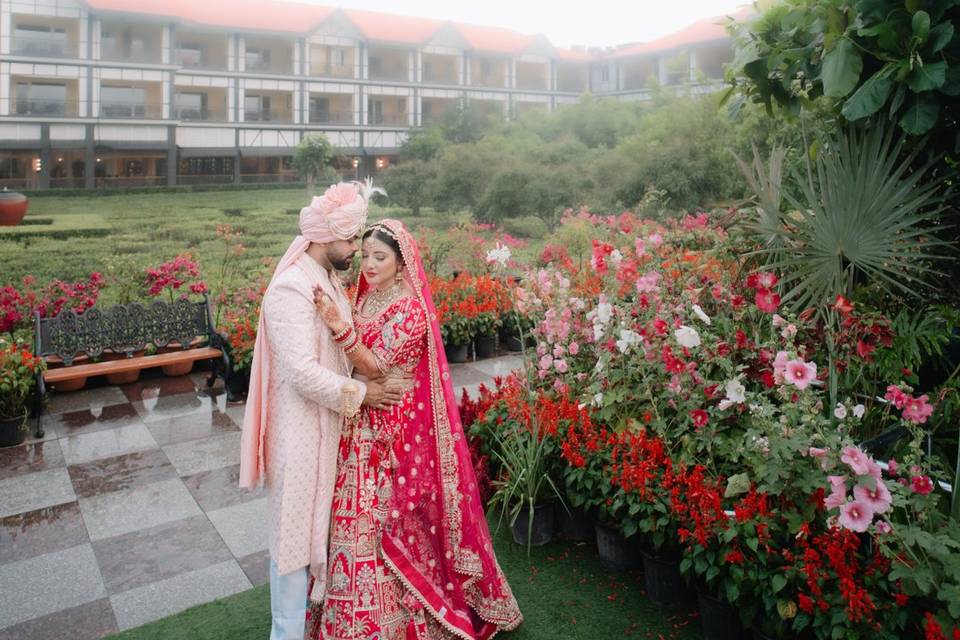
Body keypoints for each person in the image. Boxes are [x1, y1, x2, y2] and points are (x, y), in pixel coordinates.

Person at [309, 219, 522, 640]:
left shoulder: (410, 309)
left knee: (381, 518)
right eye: (366, 254)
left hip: (393, 431)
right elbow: (358, 369)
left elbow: (378, 366)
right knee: (350, 517)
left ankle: (394, 620)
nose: (368, 264)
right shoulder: (364, 299)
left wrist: (339, 327)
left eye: (380, 257)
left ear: (401, 262)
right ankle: (349, 620)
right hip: (359, 418)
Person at [239, 183, 405, 640]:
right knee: (291, 549)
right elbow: (300, 373)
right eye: (351, 240)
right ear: (324, 236)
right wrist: (361, 393)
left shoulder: (328, 280)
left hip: (330, 432)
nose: (356, 249)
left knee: (318, 539)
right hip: (299, 437)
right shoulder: (291, 288)